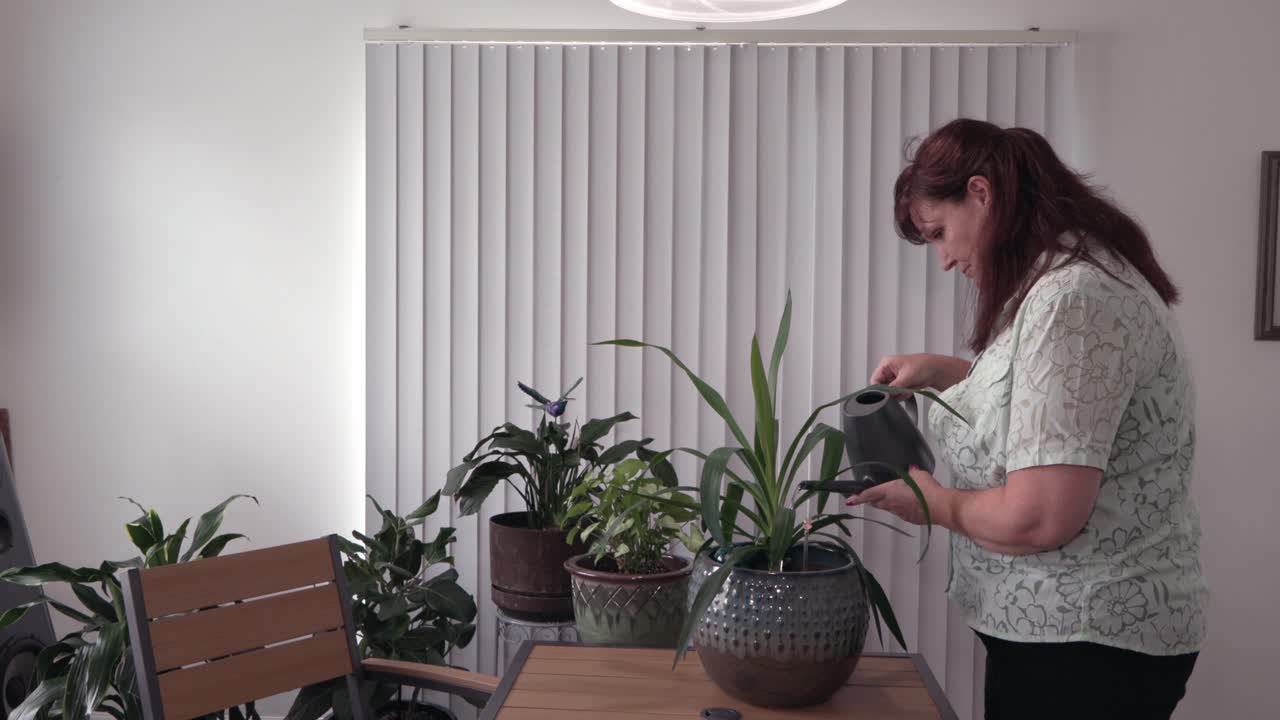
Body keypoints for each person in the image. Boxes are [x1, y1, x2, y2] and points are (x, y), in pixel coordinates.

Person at [848, 118, 1207, 720]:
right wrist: (946, 372)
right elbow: (1053, 418)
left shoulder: (1073, 300)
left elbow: (1042, 515)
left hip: (1088, 644)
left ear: (982, 194)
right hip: (1068, 637)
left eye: (939, 233)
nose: (943, 260)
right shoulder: (1063, 283)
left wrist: (933, 502)